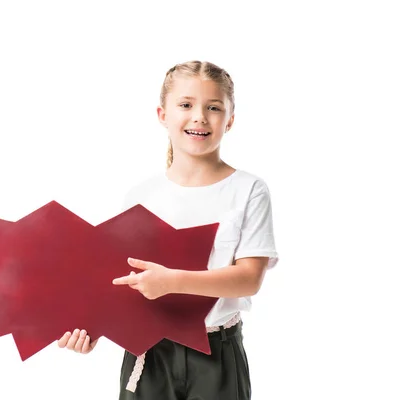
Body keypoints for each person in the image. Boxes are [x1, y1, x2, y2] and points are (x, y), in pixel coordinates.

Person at [57, 60, 279, 400]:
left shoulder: (249, 189)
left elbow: (249, 278)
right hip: (147, 352)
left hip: (216, 355)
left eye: (214, 107)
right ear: (163, 114)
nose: (200, 117)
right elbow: (123, 284)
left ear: (230, 120)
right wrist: (93, 331)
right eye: (186, 104)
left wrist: (172, 281)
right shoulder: (141, 196)